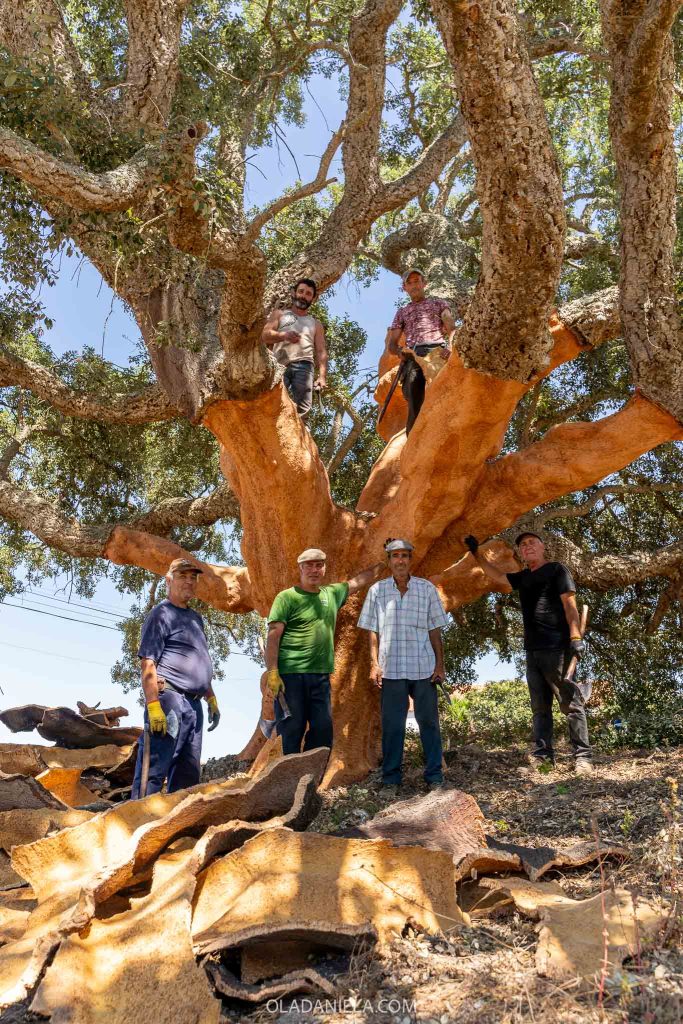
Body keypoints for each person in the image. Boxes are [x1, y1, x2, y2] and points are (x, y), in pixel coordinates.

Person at [464, 531, 592, 774]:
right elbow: (497, 576)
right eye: (523, 545)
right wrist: (476, 553)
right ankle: (544, 758)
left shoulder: (557, 570)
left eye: (532, 543)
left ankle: (583, 757)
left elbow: (570, 605)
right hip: (532, 651)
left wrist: (575, 637)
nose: (527, 547)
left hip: (556, 647)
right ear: (520, 553)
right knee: (539, 708)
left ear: (543, 547)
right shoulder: (523, 577)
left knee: (571, 704)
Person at [265, 548, 384, 755]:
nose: (314, 570)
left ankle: (309, 779)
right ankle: (286, 781)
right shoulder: (287, 597)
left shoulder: (332, 594)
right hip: (290, 676)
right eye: (309, 565)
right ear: (300, 568)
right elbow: (273, 635)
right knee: (291, 730)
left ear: (324, 568)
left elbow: (358, 581)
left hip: (320, 676)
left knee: (323, 729)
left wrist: (384, 563)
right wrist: (273, 672)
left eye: (319, 565)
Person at [358, 538, 450, 796]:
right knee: (393, 726)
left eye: (404, 556)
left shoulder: (426, 589)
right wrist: (374, 664)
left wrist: (440, 665)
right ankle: (391, 780)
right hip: (392, 669)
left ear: (411, 560)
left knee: (429, 723)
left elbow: (435, 629)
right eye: (395, 556)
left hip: (423, 667)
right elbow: (372, 632)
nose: (400, 560)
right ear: (389, 561)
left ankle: (434, 777)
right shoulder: (377, 591)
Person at [131, 558, 221, 798]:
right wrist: (152, 705)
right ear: (169, 580)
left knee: (187, 774)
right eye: (183, 576)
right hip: (169, 700)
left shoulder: (195, 619)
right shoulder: (161, 614)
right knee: (154, 769)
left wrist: (210, 696)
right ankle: (135, 823)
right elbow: (148, 662)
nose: (189, 581)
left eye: (193, 577)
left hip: (194, 705)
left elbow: (198, 659)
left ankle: (175, 828)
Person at [384, 268, 455, 434]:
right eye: (410, 283)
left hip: (436, 350)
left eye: (417, 281)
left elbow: (452, 329)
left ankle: (446, 433)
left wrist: (451, 346)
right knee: (413, 394)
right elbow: (392, 344)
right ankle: (414, 438)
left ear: (424, 283)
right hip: (413, 354)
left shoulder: (439, 304)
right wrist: (401, 352)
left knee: (442, 393)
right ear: (405, 288)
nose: (414, 285)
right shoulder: (402, 312)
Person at [261, 278, 328, 417]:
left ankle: (303, 432)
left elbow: (321, 351)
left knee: (303, 409)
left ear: (313, 298)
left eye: (308, 294)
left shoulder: (315, 324)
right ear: (294, 293)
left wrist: (322, 377)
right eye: (301, 291)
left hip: (304, 365)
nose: (304, 296)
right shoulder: (279, 314)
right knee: (271, 403)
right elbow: (265, 335)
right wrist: (284, 335)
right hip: (279, 364)